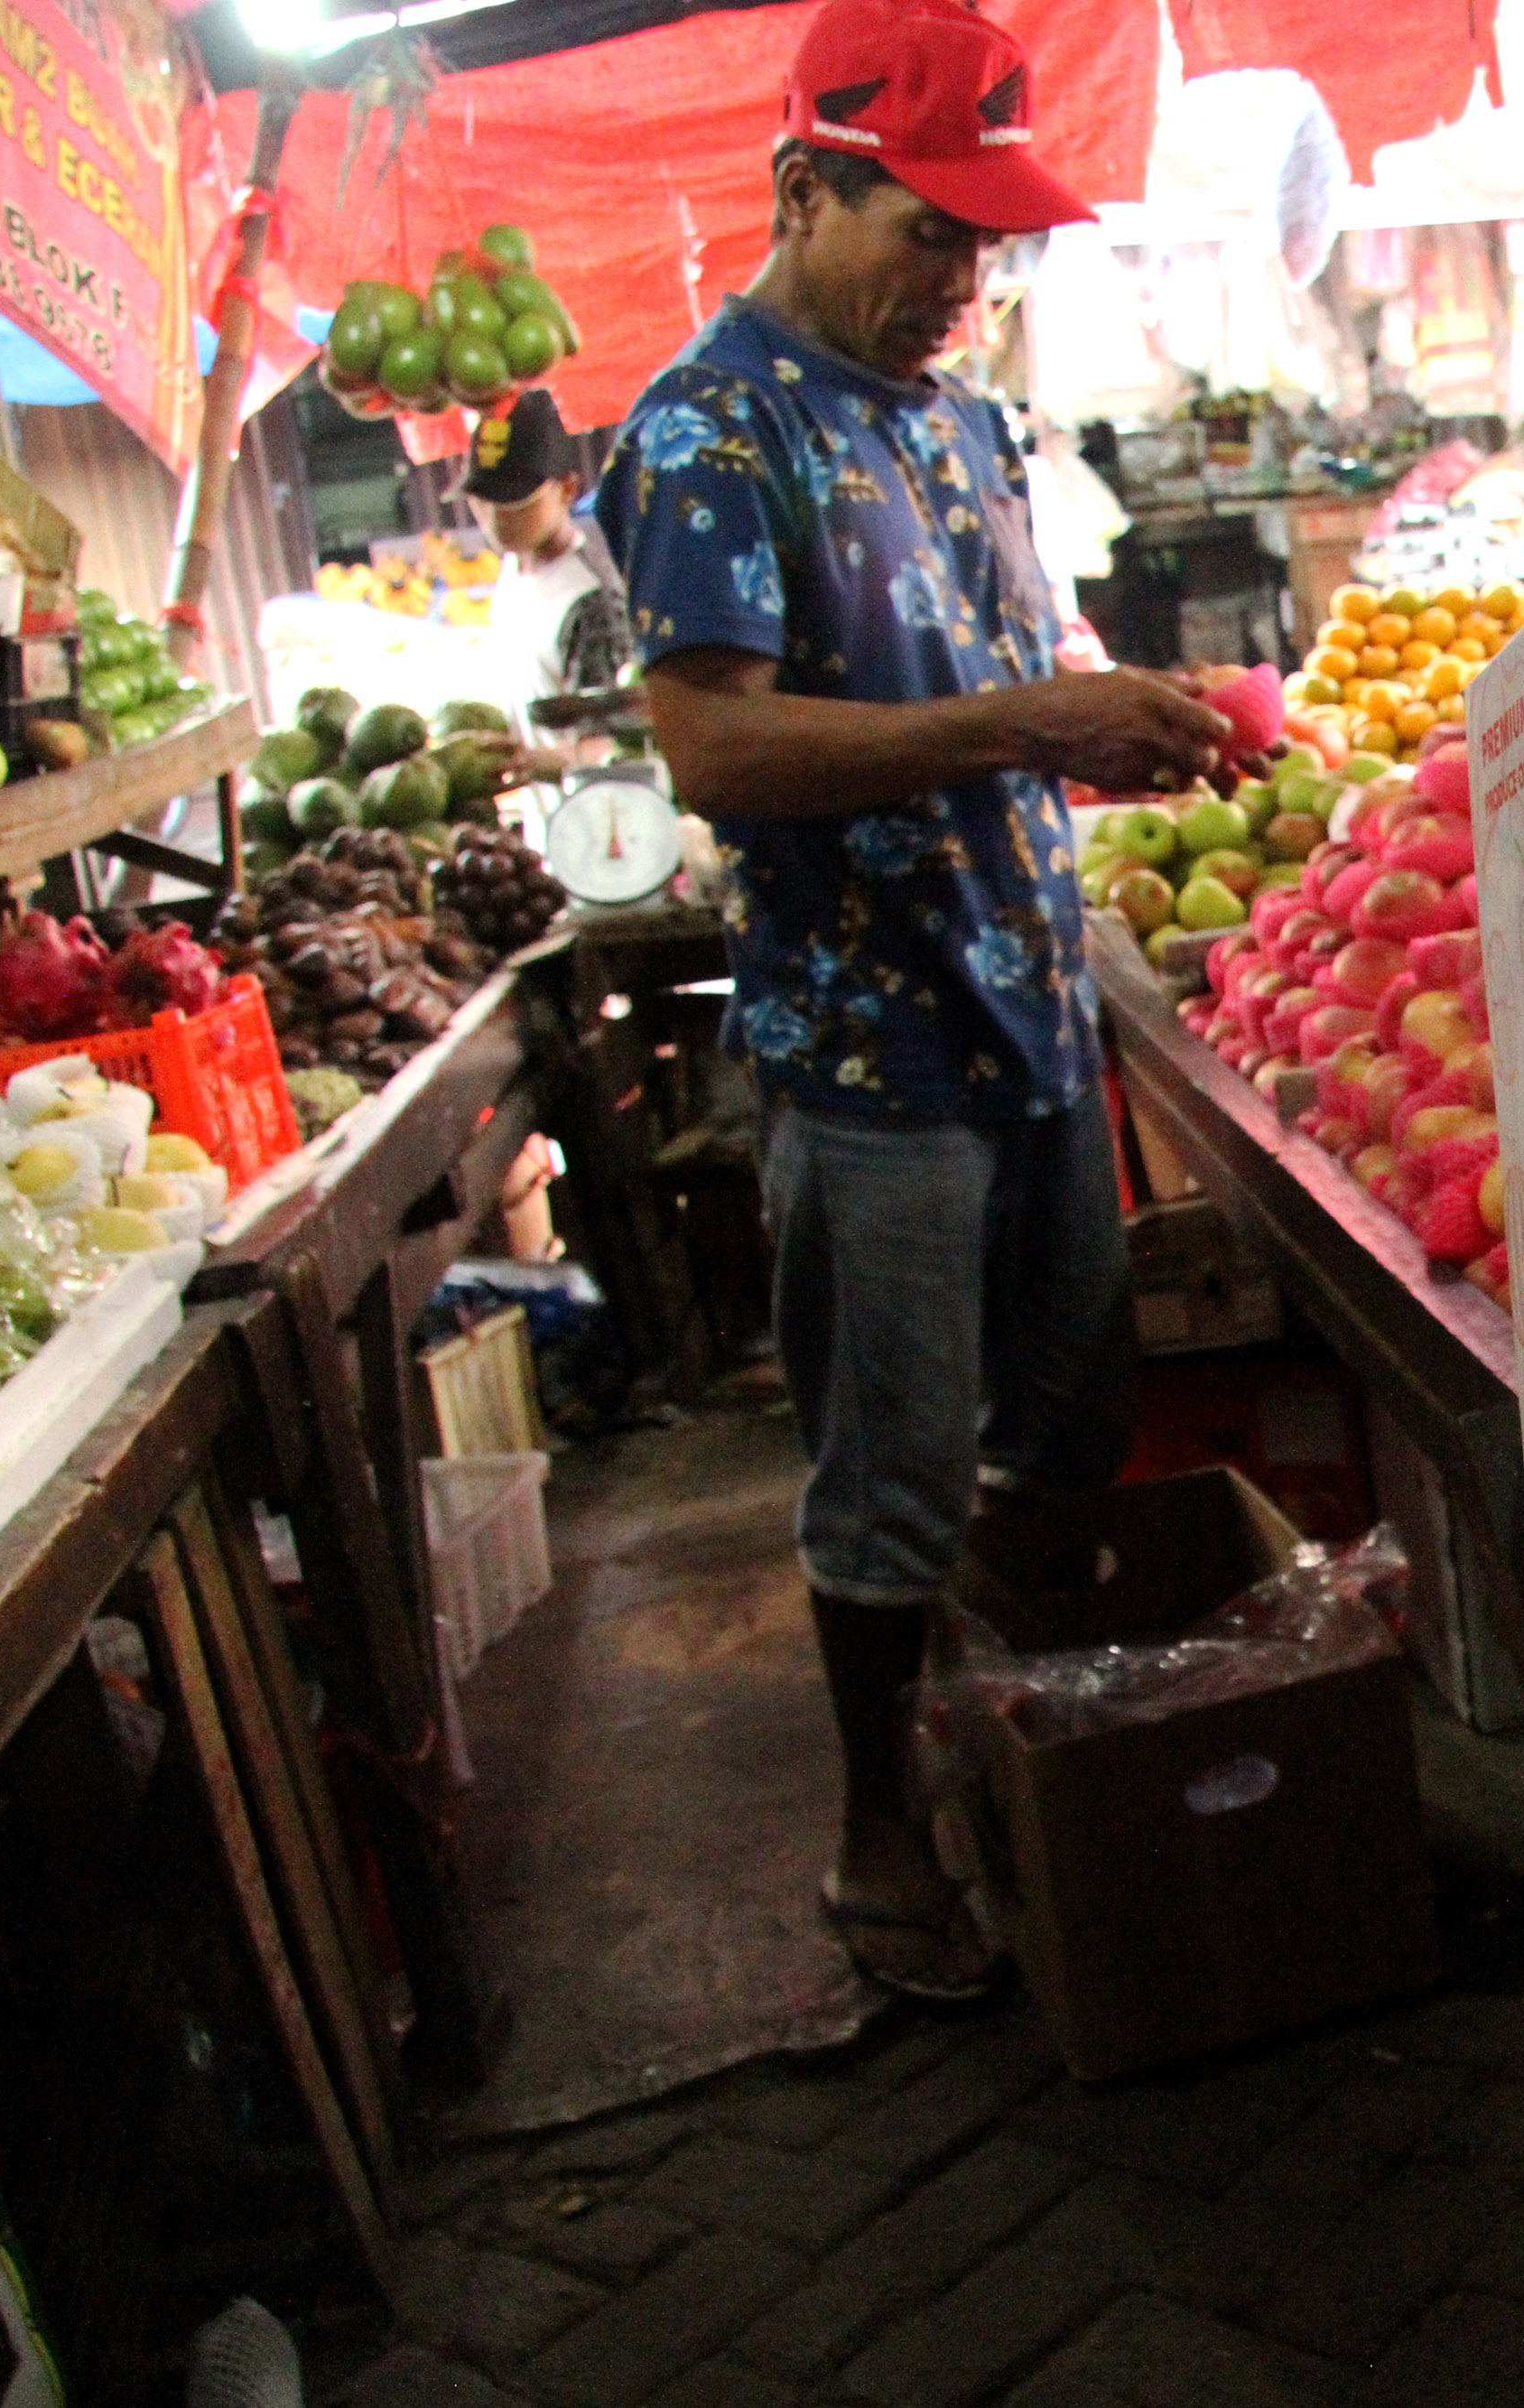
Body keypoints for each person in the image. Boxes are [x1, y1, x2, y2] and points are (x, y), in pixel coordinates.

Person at [598, 0, 1231, 1996]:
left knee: (1067, 1419)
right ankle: (878, 1829)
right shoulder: (706, 432)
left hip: (1033, 1005)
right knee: (886, 1463)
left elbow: (990, 675)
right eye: (924, 231)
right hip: (871, 1053)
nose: (962, 279)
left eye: (985, 240)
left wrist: (1098, 730)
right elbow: (712, 750)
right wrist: (1020, 724)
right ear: (804, 184)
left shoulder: (958, 420)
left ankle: (1032, 1750)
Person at [461, 388, 629, 746]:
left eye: (514, 502)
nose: (494, 519)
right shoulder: (513, 568)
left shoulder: (589, 601)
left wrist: (528, 765)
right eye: (482, 501)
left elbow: (608, 751)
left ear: (567, 488)